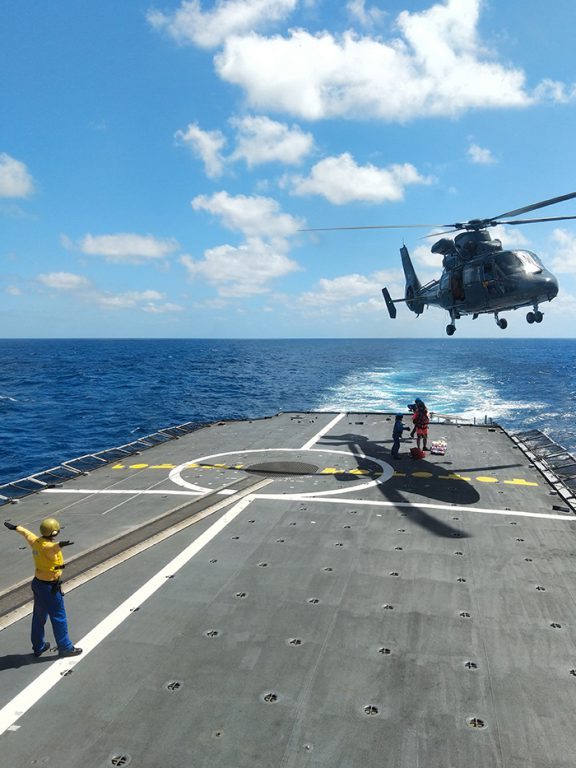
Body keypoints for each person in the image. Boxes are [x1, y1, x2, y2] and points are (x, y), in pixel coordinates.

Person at [4, 517, 82, 658]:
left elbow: (27, 534)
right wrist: (61, 544)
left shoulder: (35, 542)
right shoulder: (48, 546)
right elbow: (53, 547)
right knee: (59, 616)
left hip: (38, 584)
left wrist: (16, 527)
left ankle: (38, 646)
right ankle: (65, 647)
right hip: (50, 588)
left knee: (39, 617)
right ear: (54, 532)